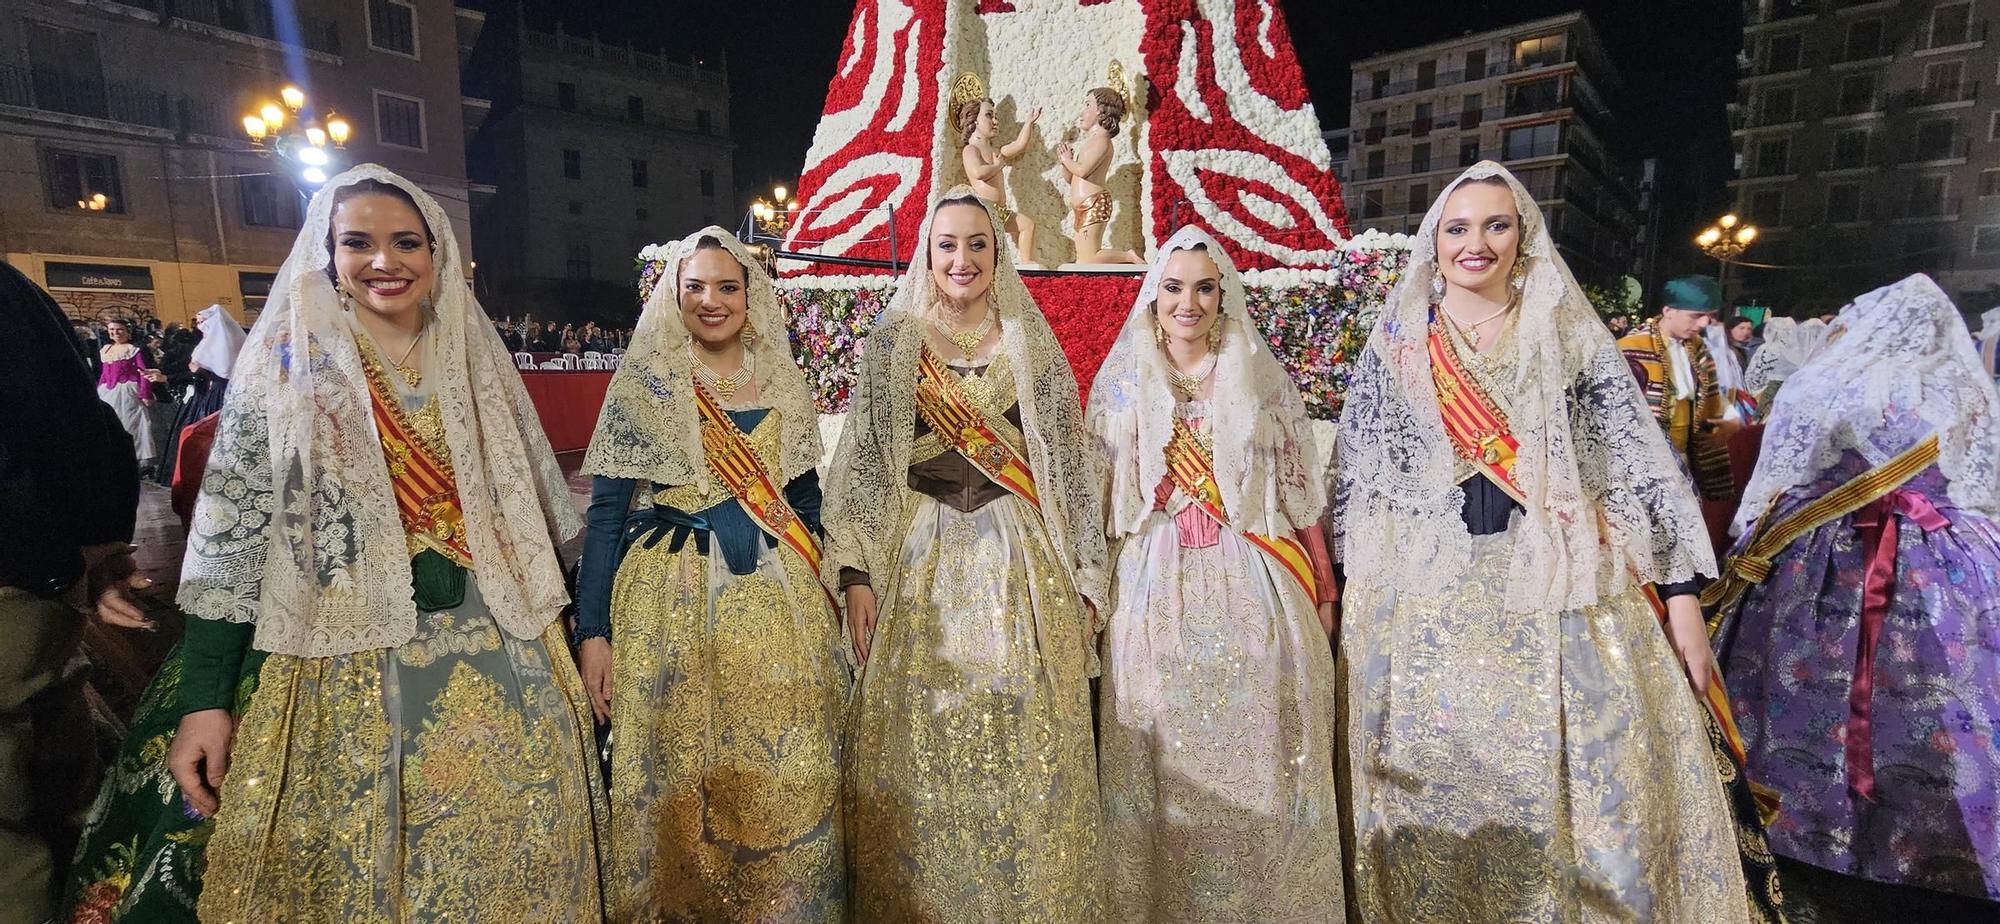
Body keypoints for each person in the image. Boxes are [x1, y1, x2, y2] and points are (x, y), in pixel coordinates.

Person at [146, 165, 602, 920]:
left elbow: (534, 519)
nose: (384, 262)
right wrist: (205, 700)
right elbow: (239, 540)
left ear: (437, 254)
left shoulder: (476, 360)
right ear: (328, 254)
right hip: (338, 649)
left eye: (405, 243)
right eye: (357, 242)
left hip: (504, 638)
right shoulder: (291, 368)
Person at [1333, 162, 1759, 921]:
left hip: (1555, 587)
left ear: (1523, 236)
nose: (1476, 243)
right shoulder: (1398, 348)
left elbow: (1634, 468)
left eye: (1496, 225)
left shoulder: (1568, 336)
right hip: (1431, 596)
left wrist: (1682, 600)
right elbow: (1364, 481)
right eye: (1457, 228)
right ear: (1434, 244)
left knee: (1585, 784)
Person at [826, 188, 1109, 921]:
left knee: (1020, 741)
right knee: (923, 744)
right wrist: (855, 573)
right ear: (927, 251)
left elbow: (1069, 468)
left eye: (977, 244)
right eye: (948, 244)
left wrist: (1085, 576)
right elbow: (862, 462)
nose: (962, 259)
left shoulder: (1027, 340)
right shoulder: (894, 343)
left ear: (997, 253)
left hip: (1019, 557)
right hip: (918, 555)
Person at [575, 228, 848, 921]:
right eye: (693, 286)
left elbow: (804, 497)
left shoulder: (780, 374)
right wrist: (594, 632)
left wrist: (831, 582)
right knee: (679, 767)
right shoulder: (646, 380)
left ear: (750, 295)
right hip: (668, 589)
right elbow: (606, 517)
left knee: (786, 759)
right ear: (673, 294)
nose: (711, 300)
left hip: (777, 589)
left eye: (727, 286)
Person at [1708, 274, 2000, 919]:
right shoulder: (1966, 388)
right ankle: (1942, 826)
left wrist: (1745, 544)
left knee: (1809, 680)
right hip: (1944, 555)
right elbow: (1981, 483)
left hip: (1833, 557)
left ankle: (1806, 820)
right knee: (1954, 685)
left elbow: (1781, 476)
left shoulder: (1825, 382)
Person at [1087, 227, 1343, 920]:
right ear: (1154, 295)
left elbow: (1298, 489)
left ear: (1223, 292)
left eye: (1203, 287)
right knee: (1158, 746)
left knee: (1262, 740)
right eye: (1173, 288)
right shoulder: (1123, 379)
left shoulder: (1257, 370)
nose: (1188, 303)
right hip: (1154, 583)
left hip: (1252, 578)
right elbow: (1097, 496)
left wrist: (1323, 583)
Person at [0, 261, 151, 924]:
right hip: (33, 581)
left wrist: (79, 554)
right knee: (64, 797)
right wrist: (91, 547)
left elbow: (67, 422)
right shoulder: (14, 294)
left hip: (22, 578)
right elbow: (74, 422)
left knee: (30, 824)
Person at [1619, 275, 1738, 502]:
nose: (1703, 324)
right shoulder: (1630, 349)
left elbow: (1711, 400)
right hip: (1644, 462)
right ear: (1668, 311)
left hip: (1687, 459)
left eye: (1709, 317)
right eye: (1696, 316)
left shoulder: (1699, 349)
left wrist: (1729, 417)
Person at [152, 305, 245, 486]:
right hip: (201, 396)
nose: (200, 326)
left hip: (218, 397)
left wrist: (199, 371)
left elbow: (225, 373)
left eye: (204, 322)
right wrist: (168, 377)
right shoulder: (206, 342)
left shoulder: (226, 343)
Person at [1055, 88, 1142, 266]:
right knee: (1082, 257)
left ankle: (1128, 257)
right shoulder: (1091, 142)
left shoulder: (1102, 141)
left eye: (1088, 105)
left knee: (1089, 258)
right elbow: (1072, 178)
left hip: (1093, 203)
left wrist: (1068, 160)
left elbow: (1083, 170)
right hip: (1082, 206)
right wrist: (1066, 162)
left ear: (1101, 110)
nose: (1082, 111)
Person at [955, 82, 1041, 262]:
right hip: (983, 212)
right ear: (974, 120)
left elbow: (1019, 145)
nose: (995, 121)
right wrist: (997, 167)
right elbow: (978, 172)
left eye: (995, 116)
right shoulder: (971, 150)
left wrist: (1028, 123)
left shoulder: (996, 152)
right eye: (989, 116)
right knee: (990, 250)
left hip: (1000, 212)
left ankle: (1026, 264)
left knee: (1027, 225)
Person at [95, 318, 160, 475]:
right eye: (112, 330)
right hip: (108, 391)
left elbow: (143, 372)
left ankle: (136, 460)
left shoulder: (133, 350)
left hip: (128, 391)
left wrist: (145, 393)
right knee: (112, 423)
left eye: (119, 329)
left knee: (132, 425)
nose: (115, 333)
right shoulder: (106, 350)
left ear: (127, 332)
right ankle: (116, 458)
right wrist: (97, 391)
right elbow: (104, 374)